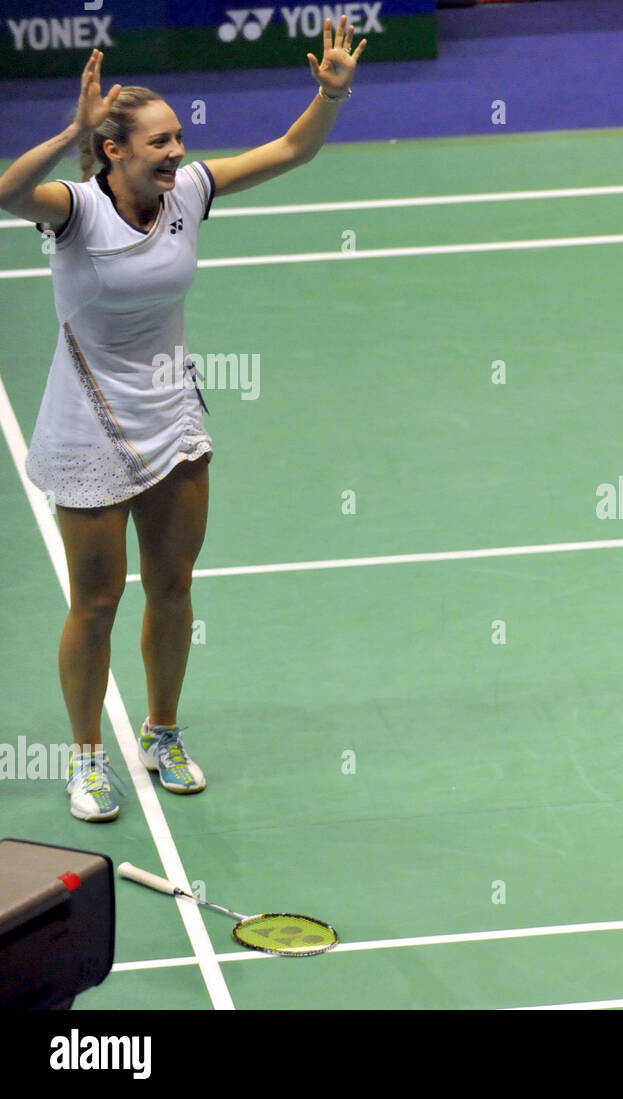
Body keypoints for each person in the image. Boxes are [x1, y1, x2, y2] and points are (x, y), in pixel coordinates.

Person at [0, 20, 367, 821]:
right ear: (115, 151)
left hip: (173, 417)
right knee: (95, 603)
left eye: (179, 139)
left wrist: (330, 94)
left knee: (172, 585)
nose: (176, 152)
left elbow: (289, 151)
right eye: (160, 142)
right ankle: (89, 757)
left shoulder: (190, 193)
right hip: (89, 424)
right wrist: (71, 128)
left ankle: (161, 732)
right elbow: (3, 192)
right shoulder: (76, 210)